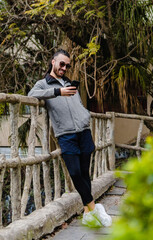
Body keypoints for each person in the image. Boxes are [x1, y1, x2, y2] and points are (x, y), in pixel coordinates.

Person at [28, 49, 112, 228]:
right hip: (65, 134)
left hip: (84, 131)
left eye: (67, 65)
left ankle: (88, 213)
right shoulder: (44, 84)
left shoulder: (68, 82)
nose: (64, 67)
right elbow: (31, 95)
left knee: (83, 173)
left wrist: (85, 115)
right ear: (53, 62)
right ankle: (95, 207)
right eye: (61, 64)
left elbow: (78, 104)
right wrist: (58, 91)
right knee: (74, 172)